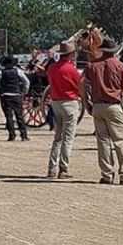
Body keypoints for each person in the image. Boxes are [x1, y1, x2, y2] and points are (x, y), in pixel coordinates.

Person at [86, 39, 123, 185]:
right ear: (114, 51)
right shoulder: (120, 66)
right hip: (113, 105)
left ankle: (107, 175)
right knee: (120, 141)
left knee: (103, 141)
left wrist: (86, 102)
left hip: (97, 106)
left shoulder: (92, 66)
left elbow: (82, 83)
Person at [44, 42, 83, 179]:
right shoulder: (71, 69)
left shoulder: (52, 68)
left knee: (58, 137)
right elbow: (79, 86)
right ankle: (63, 168)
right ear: (71, 54)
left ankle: (51, 168)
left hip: (56, 102)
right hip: (69, 102)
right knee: (68, 137)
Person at [0, 55, 30, 141]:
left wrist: (1, 90)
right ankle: (24, 135)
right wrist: (24, 91)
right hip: (16, 95)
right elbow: (26, 81)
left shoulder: (0, 72)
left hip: (6, 96)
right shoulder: (18, 71)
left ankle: (12, 135)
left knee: (9, 116)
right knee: (19, 115)